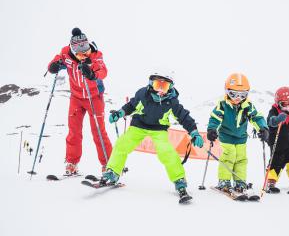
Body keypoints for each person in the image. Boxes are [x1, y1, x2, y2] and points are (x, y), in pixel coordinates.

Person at [102, 70, 204, 201]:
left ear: (170, 87)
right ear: (151, 84)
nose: (161, 89)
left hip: (159, 129)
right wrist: (120, 113)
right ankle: (113, 172)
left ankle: (179, 180)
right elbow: (131, 105)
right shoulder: (142, 94)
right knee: (122, 144)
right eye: (157, 84)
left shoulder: (172, 101)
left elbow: (184, 117)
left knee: (167, 152)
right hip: (139, 125)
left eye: (165, 86)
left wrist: (194, 132)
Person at [47, 28, 112, 175]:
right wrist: (53, 66)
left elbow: (103, 71)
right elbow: (54, 62)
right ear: (72, 49)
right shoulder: (65, 53)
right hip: (76, 98)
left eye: (86, 51)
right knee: (74, 131)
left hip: (94, 97)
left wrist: (92, 73)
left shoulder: (96, 55)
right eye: (80, 53)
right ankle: (72, 163)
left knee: (98, 132)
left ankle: (109, 164)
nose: (84, 55)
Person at [207, 73, 269, 196]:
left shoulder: (248, 106)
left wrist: (263, 128)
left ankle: (239, 182)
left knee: (241, 159)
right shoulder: (223, 105)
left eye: (242, 95)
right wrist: (212, 129)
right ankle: (224, 181)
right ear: (227, 91)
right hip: (226, 137)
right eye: (233, 94)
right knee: (229, 157)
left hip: (241, 138)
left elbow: (256, 117)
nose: (237, 98)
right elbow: (214, 118)